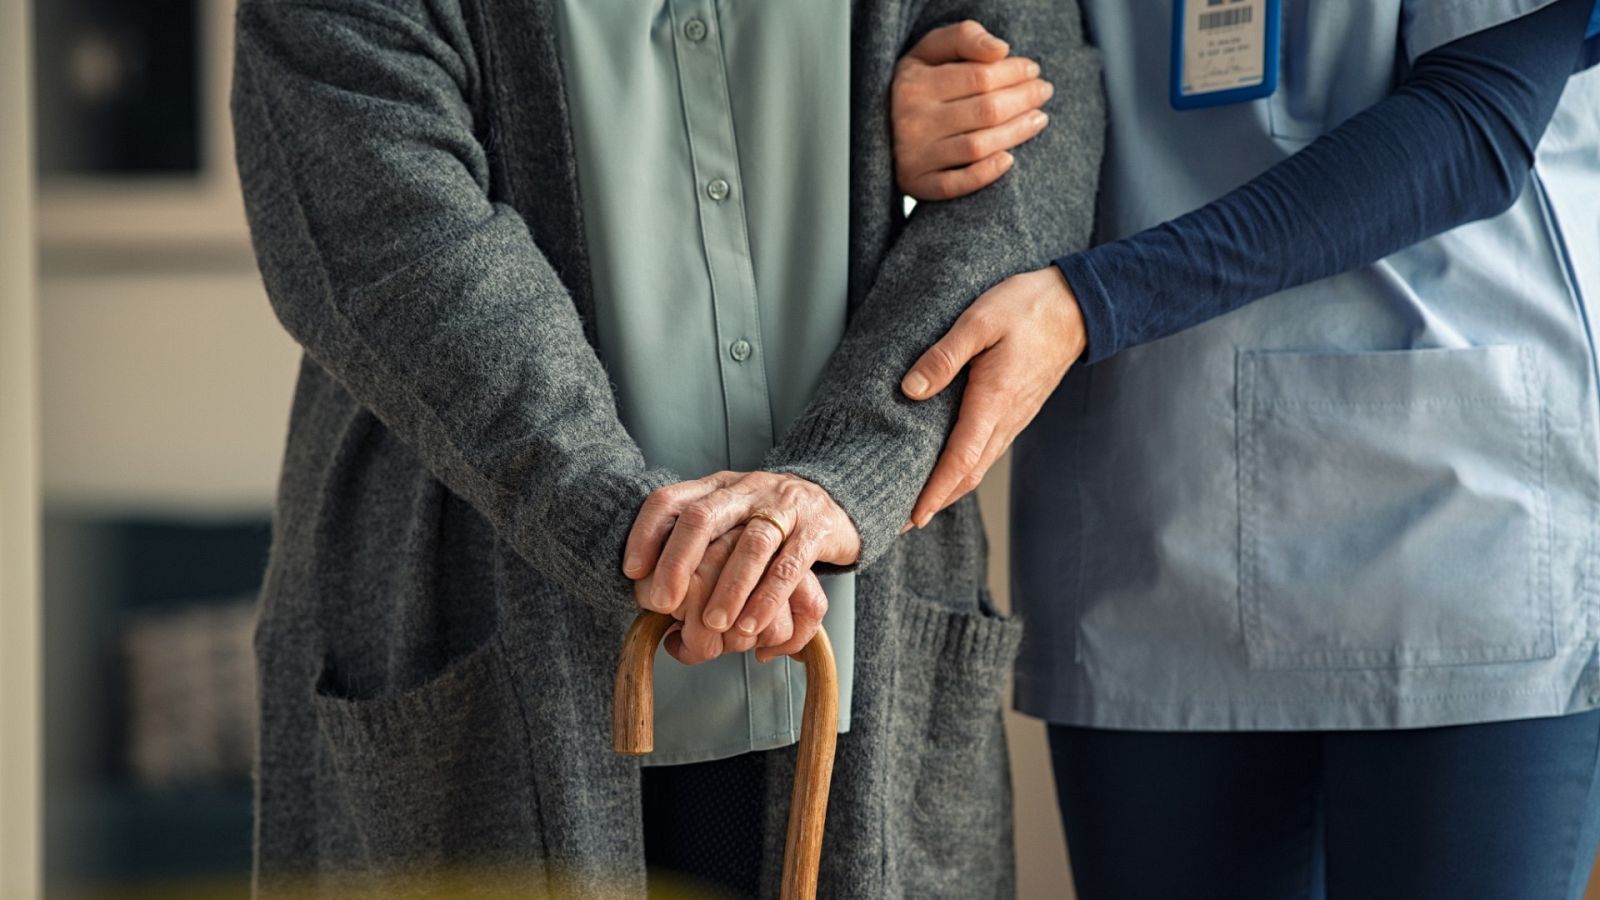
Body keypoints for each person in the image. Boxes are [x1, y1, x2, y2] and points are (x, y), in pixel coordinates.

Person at [231, 0, 1101, 896]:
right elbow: (392, 236)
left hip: (860, 637)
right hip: (482, 624)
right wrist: (638, 528)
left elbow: (1034, 152)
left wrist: (849, 475)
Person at [888, 2, 1600, 898]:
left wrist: (1093, 301)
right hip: (1148, 519)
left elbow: (1478, 124)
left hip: (1453, 532)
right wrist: (901, 124)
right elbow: (974, 52)